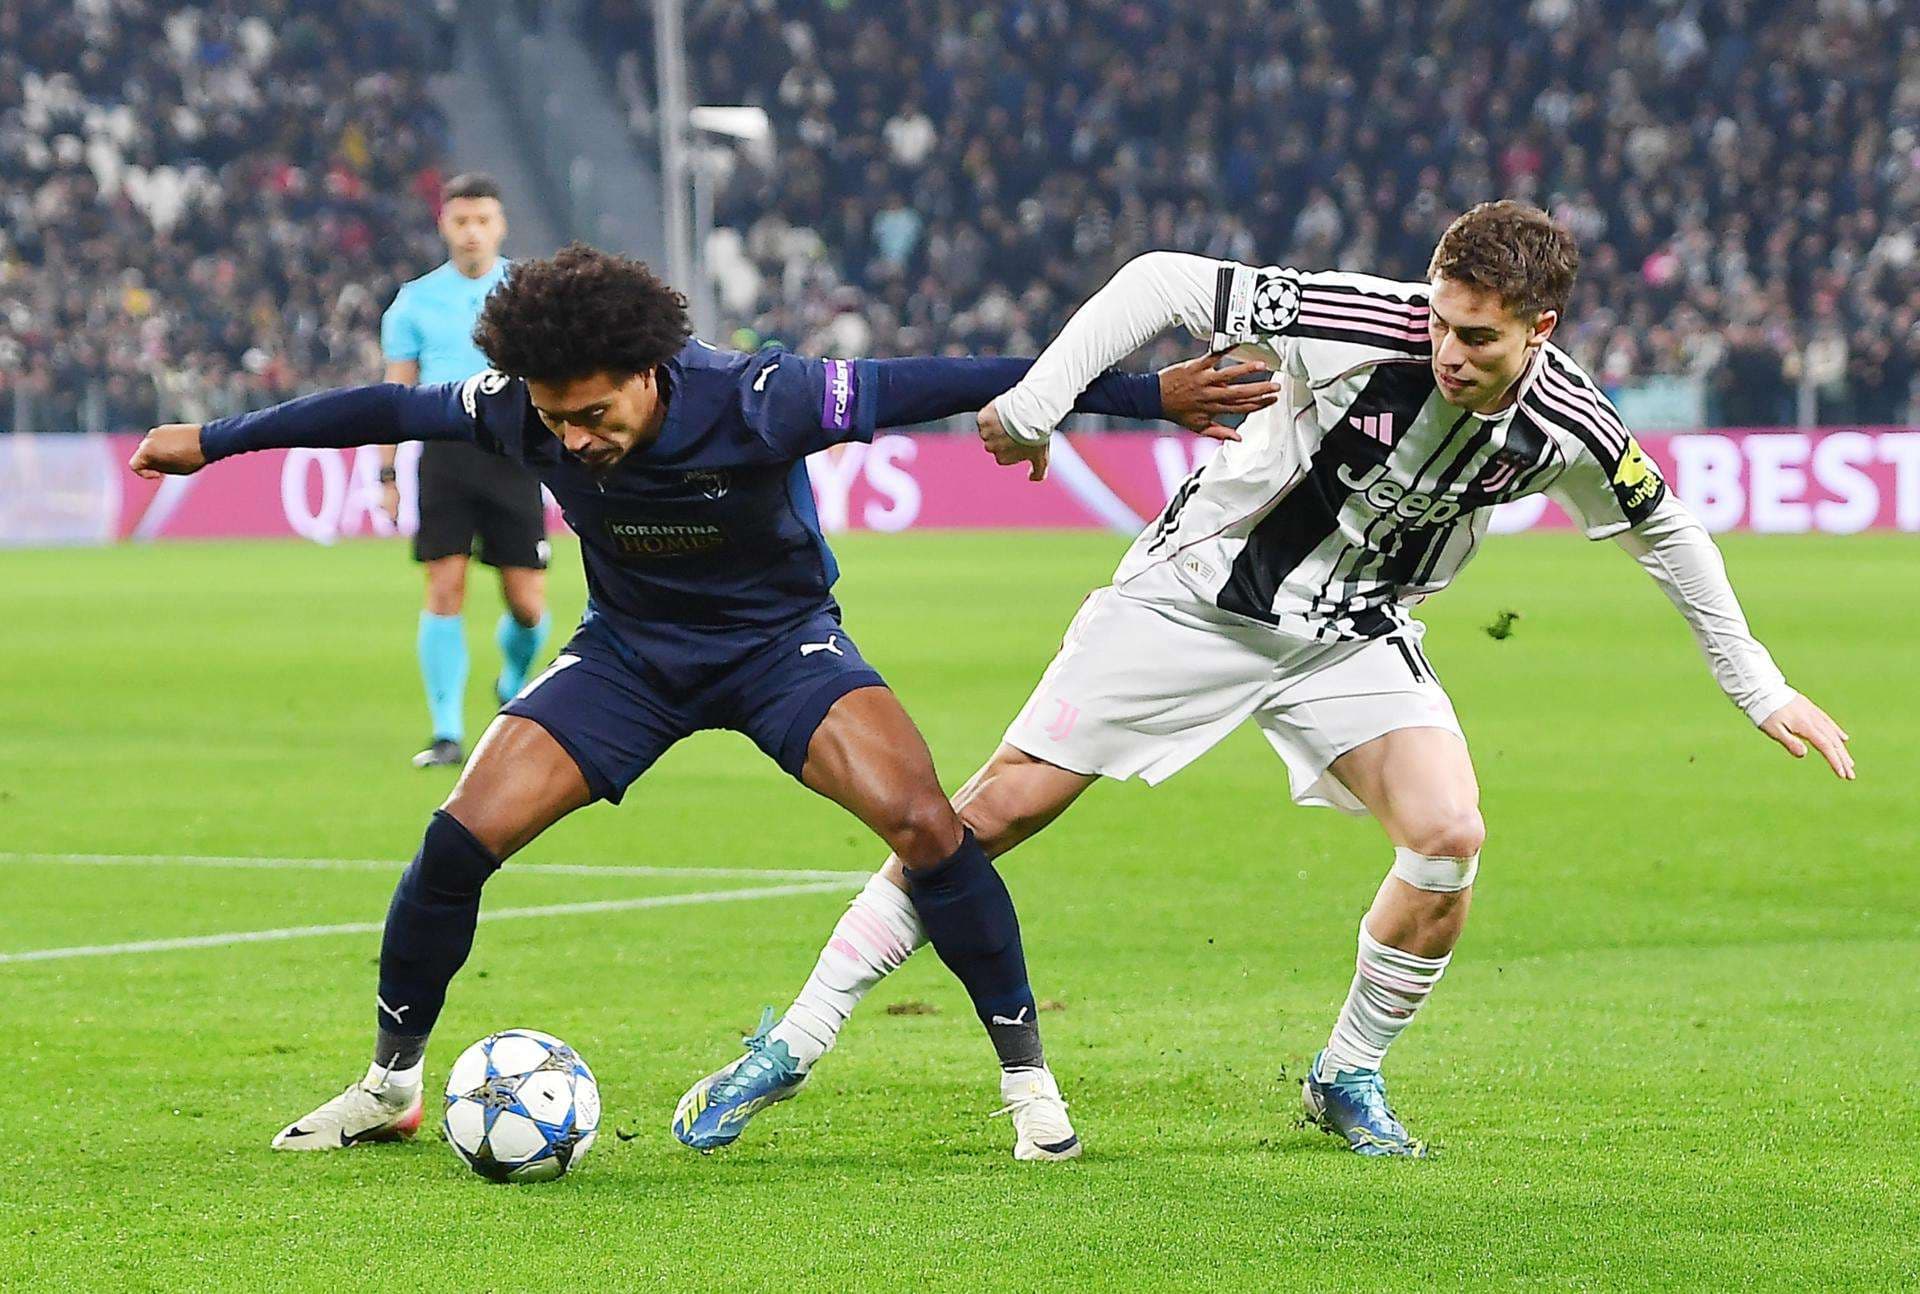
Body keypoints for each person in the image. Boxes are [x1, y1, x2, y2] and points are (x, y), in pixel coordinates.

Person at [674, 201, 1854, 1160]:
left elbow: (1667, 532)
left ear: (1539, 329)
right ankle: (792, 1042)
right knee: (990, 816)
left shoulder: (1568, 425)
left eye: (1479, 337)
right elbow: (1157, 278)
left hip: (1351, 636)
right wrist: (1039, 400)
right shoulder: (1361, 321)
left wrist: (1756, 687)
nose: (1448, 349)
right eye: (1443, 320)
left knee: (1448, 836)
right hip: (1192, 602)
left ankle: (1345, 1075)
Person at [126, 244, 1273, 1159]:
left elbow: (953, 380)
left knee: (928, 825)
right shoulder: (520, 409)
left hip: (781, 648)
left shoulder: (763, 397)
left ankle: (1028, 1083)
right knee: (457, 839)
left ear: (647, 372)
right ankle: (389, 1084)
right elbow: (375, 410)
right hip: (629, 656)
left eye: (590, 417)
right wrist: (213, 443)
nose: (569, 440)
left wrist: (1139, 393)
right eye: (554, 420)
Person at [377, 172, 552, 768]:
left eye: (483, 220)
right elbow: (395, 396)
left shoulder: (530, 292)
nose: (472, 232)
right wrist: (387, 474)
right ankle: (447, 732)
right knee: (444, 588)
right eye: (461, 221)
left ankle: (511, 681)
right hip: (446, 456)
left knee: (527, 604)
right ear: (444, 226)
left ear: (500, 226)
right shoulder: (414, 301)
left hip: (515, 455)